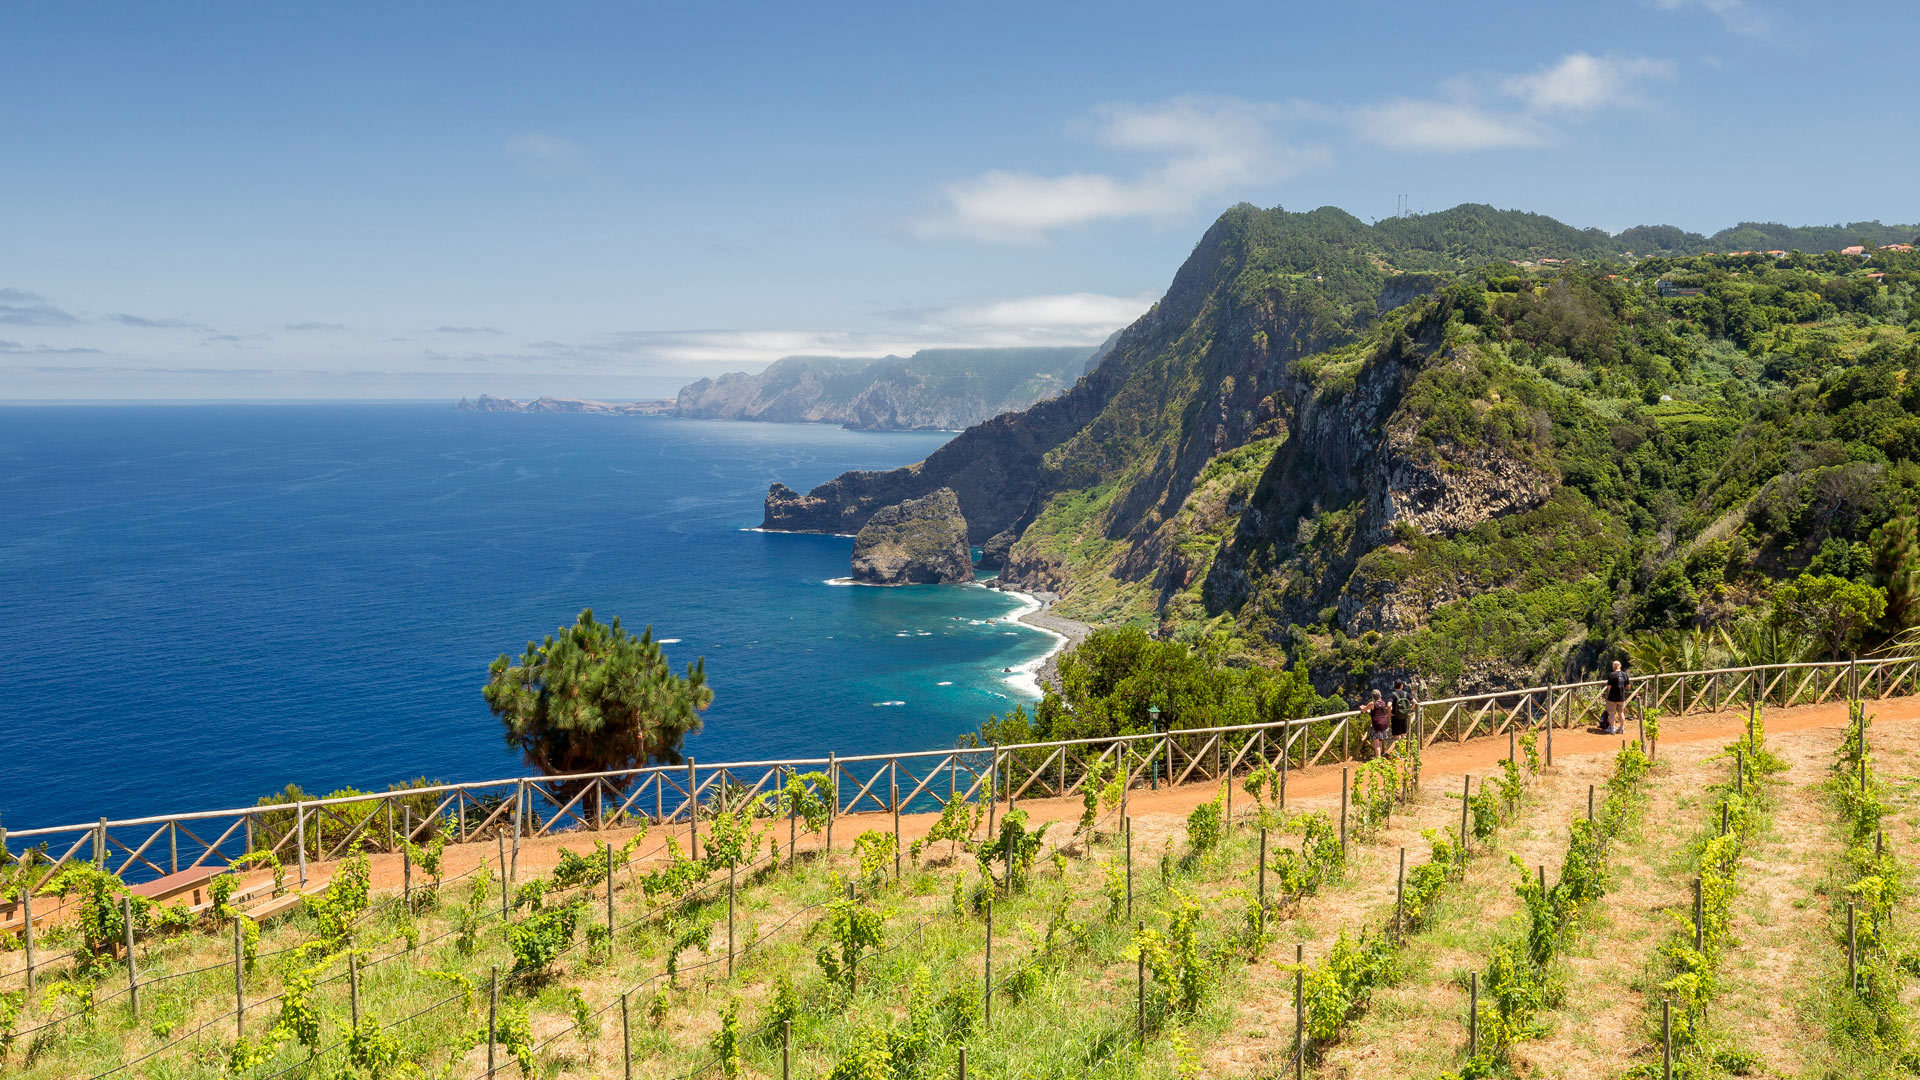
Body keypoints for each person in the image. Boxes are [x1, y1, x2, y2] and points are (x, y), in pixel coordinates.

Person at [1604, 660, 1630, 734]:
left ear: (1614, 666)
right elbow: (1628, 686)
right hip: (1621, 697)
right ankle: (1621, 728)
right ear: (1620, 666)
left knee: (1611, 713)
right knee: (1621, 713)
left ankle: (1612, 729)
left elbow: (1608, 686)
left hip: (1612, 697)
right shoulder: (1625, 674)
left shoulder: (1612, 675)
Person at [1366, 689, 1393, 759]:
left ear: (1373, 697)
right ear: (1380, 696)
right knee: (1380, 740)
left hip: (1377, 725)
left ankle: (1378, 758)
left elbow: (1364, 709)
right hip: (1385, 724)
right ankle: (1379, 756)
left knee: (1376, 742)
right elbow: (1376, 710)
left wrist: (1362, 707)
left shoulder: (1372, 703)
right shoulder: (1383, 703)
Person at [1389, 679, 1413, 751]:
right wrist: (1409, 710)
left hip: (1395, 717)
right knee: (1403, 734)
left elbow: (1389, 705)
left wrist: (1389, 714)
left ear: (1394, 686)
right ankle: (1405, 751)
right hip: (1404, 717)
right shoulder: (1406, 694)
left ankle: (1398, 754)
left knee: (1396, 736)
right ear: (1401, 686)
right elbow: (1414, 702)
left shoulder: (1393, 694)